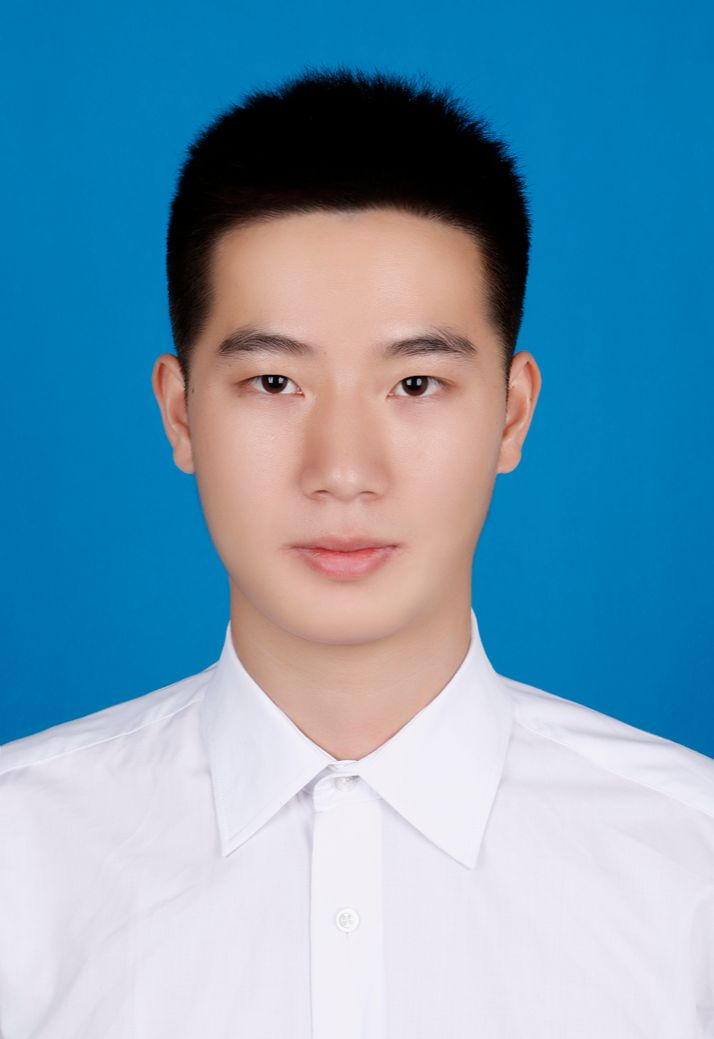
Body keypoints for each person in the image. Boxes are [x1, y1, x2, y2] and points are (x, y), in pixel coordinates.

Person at [0, 64, 712, 1039]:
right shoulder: (21, 862)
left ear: (511, 414)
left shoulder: (690, 867)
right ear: (181, 412)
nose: (342, 471)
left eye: (415, 384)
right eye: (274, 383)